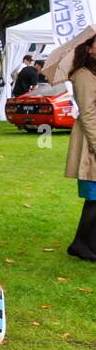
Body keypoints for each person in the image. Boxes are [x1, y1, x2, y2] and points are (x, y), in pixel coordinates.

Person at [65, 38, 96, 260]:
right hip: (91, 139)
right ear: (88, 48)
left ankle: (86, 243)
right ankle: (81, 244)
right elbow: (87, 114)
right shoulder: (84, 74)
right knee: (94, 196)